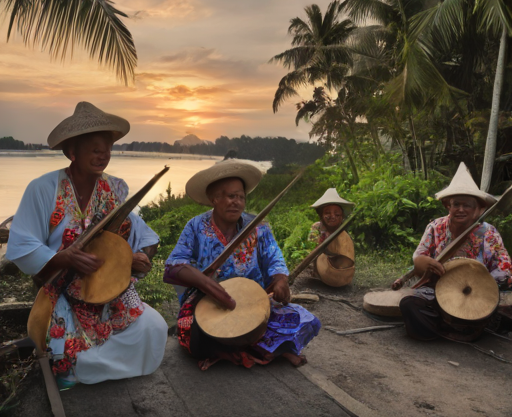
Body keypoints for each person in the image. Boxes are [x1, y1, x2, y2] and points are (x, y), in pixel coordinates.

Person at [6, 102, 168, 386]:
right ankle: (81, 366)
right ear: (72, 151)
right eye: (94, 148)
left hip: (109, 291)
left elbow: (145, 235)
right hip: (60, 291)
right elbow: (20, 245)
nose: (103, 155)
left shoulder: (115, 189)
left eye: (107, 148)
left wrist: (139, 256)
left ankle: (95, 367)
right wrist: (65, 258)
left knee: (154, 329)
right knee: (68, 358)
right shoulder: (43, 188)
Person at [163, 160, 321, 370]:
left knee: (306, 321)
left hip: (252, 302)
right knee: (191, 335)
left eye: (241, 197)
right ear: (214, 199)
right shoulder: (195, 226)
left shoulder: (258, 226)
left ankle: (237, 350)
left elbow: (274, 258)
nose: (236, 202)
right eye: (230, 196)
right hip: (209, 302)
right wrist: (210, 287)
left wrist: (280, 279)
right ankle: (267, 350)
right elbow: (174, 265)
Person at [400, 162, 512, 341]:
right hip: (438, 293)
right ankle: (464, 331)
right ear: (447, 206)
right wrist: (421, 262)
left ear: (478, 209)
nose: (460, 209)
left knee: (503, 309)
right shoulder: (435, 227)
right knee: (409, 304)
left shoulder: (488, 233)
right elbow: (419, 255)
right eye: (456, 204)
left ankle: (447, 329)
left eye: (467, 205)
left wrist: (481, 283)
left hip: (477, 296)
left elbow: (505, 268)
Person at [308, 188, 355, 286]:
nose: (332, 216)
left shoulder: (342, 233)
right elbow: (312, 247)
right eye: (327, 213)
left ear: (341, 216)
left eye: (336, 213)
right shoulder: (317, 227)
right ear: (321, 215)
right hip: (322, 262)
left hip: (338, 267)